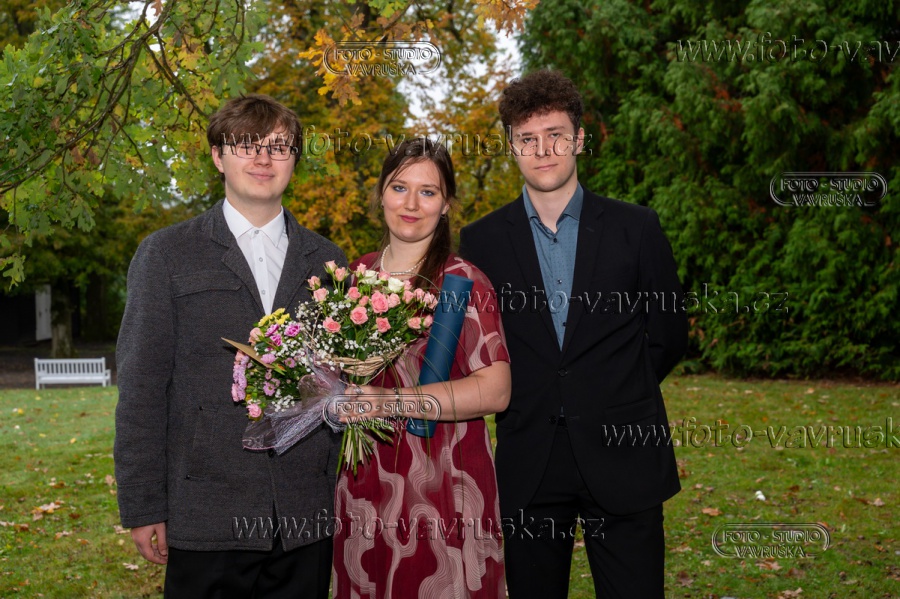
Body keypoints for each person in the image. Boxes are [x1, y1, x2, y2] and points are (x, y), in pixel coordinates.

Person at [458, 70, 689, 598]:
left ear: (580, 139)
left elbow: (669, 334)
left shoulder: (637, 227)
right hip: (531, 458)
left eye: (556, 135)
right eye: (528, 138)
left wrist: (613, 391)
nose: (543, 150)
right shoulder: (482, 241)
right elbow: (480, 345)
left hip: (625, 450)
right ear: (511, 146)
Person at [114, 93, 346, 598]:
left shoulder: (328, 261)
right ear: (218, 157)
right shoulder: (167, 254)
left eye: (278, 147)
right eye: (246, 145)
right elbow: (141, 388)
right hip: (206, 510)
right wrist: (143, 504)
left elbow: (337, 384)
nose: (263, 158)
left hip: (303, 513)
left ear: (294, 161)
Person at [332, 137, 512, 598]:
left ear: (445, 205)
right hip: (365, 480)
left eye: (428, 192)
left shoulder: (463, 282)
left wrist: (389, 401)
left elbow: (495, 390)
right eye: (399, 187)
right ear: (381, 194)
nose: (411, 204)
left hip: (442, 481)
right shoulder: (353, 278)